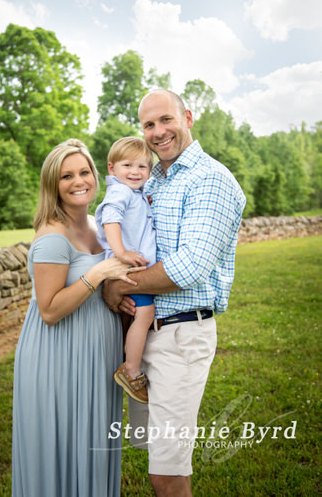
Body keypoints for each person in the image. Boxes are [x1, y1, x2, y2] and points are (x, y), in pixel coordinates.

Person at [103, 90, 246, 497]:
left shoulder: (211, 178)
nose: (158, 132)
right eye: (148, 124)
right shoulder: (154, 179)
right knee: (154, 456)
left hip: (180, 338)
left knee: (167, 473)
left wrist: (115, 285)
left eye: (166, 120)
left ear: (187, 116)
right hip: (147, 332)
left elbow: (190, 266)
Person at [12, 139, 145, 497]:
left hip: (96, 354)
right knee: (63, 444)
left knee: (94, 440)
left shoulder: (97, 225)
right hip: (58, 357)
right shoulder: (52, 238)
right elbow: (50, 310)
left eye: (84, 172)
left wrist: (117, 299)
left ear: (97, 175)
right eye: (66, 176)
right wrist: (99, 274)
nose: (78, 181)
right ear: (52, 185)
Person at [95, 137, 156, 404]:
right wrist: (120, 253)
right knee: (144, 313)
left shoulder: (136, 193)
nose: (135, 171)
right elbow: (111, 219)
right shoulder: (119, 192)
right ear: (112, 168)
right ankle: (130, 371)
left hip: (132, 265)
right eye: (127, 165)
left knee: (130, 316)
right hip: (127, 267)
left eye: (142, 166)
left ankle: (122, 357)